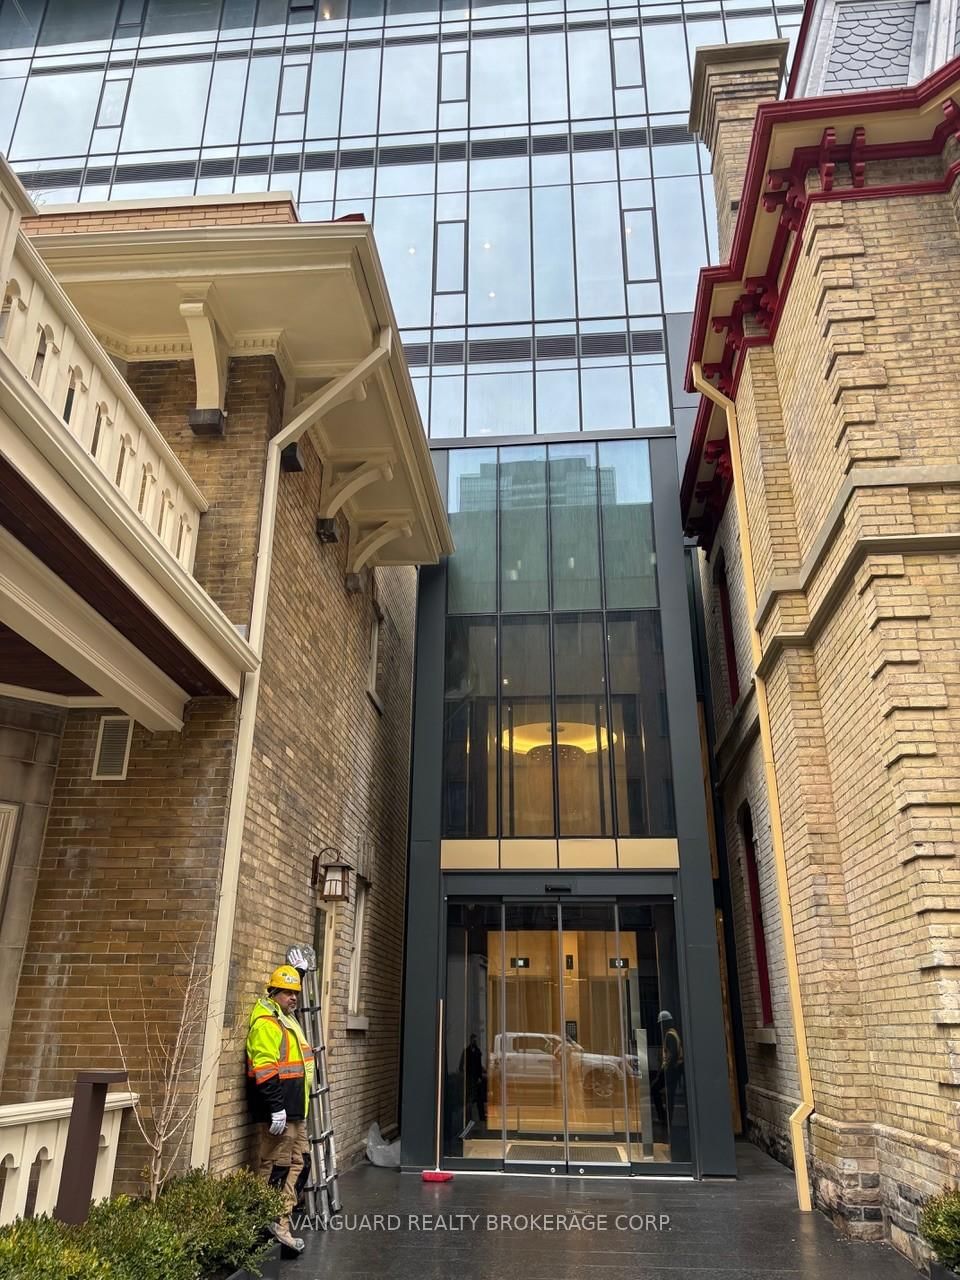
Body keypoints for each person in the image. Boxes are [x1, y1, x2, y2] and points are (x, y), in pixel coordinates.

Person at [246, 965, 314, 1251]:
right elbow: (265, 1068)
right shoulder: (266, 1023)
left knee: (300, 1163)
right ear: (273, 992)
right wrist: (276, 1107)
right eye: (287, 992)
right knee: (276, 1167)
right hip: (279, 1111)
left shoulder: (286, 1019)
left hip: (295, 1109)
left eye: (296, 992)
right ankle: (265, 1226)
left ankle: (280, 1223)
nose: (293, 997)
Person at [651, 1010, 684, 1129]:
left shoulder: (670, 1035)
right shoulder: (673, 1033)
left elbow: (673, 1054)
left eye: (661, 1023)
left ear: (665, 1023)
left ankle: (664, 1118)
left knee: (655, 1089)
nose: (660, 1026)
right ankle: (666, 1118)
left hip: (670, 1070)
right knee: (668, 1094)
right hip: (673, 1069)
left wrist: (665, 1069)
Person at [458, 1033, 487, 1123]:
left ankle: (481, 1118)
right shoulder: (468, 1051)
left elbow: (478, 1065)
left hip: (476, 1079)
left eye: (475, 1040)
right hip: (471, 1078)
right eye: (473, 1040)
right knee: (471, 1099)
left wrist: (480, 1075)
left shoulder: (477, 1051)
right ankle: (469, 1118)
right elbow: (461, 1066)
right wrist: (465, 1075)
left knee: (478, 1099)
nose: (474, 1041)